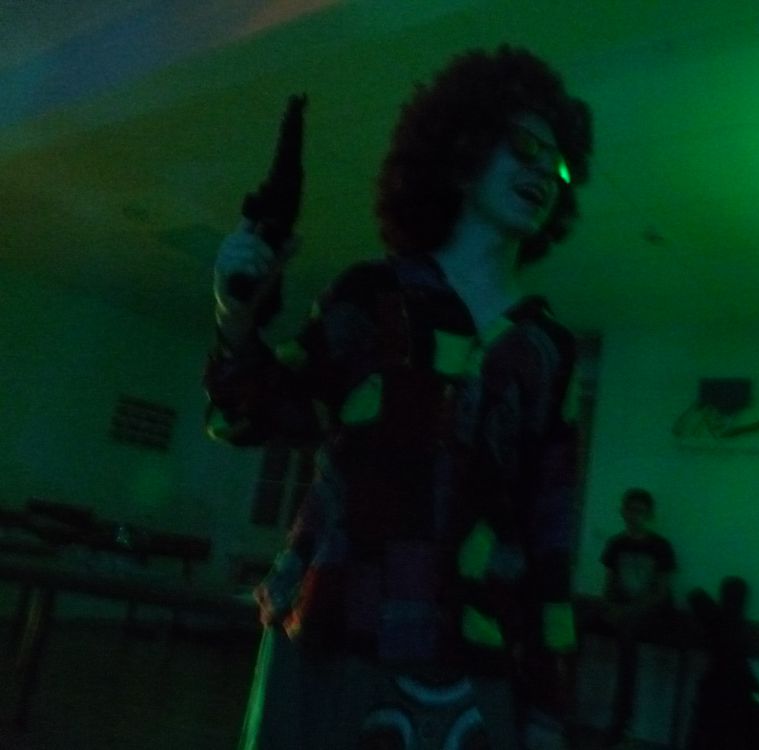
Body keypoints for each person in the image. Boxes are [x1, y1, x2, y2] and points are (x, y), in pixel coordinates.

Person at [204, 45, 593, 750]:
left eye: (560, 163)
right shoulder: (371, 298)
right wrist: (236, 320)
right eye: (525, 146)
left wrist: (548, 711)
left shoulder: (547, 352)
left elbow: (551, 543)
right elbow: (243, 417)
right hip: (331, 634)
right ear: (463, 152)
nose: (545, 169)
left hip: (472, 658)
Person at [598, 488, 677, 747]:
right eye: (629, 510)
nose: (633, 516)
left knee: (628, 634)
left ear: (649, 514)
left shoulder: (660, 546)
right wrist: (609, 607)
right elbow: (608, 586)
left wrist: (625, 611)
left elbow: (661, 594)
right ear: (622, 512)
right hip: (623, 611)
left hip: (651, 614)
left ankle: (622, 722)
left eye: (639, 511)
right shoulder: (616, 544)